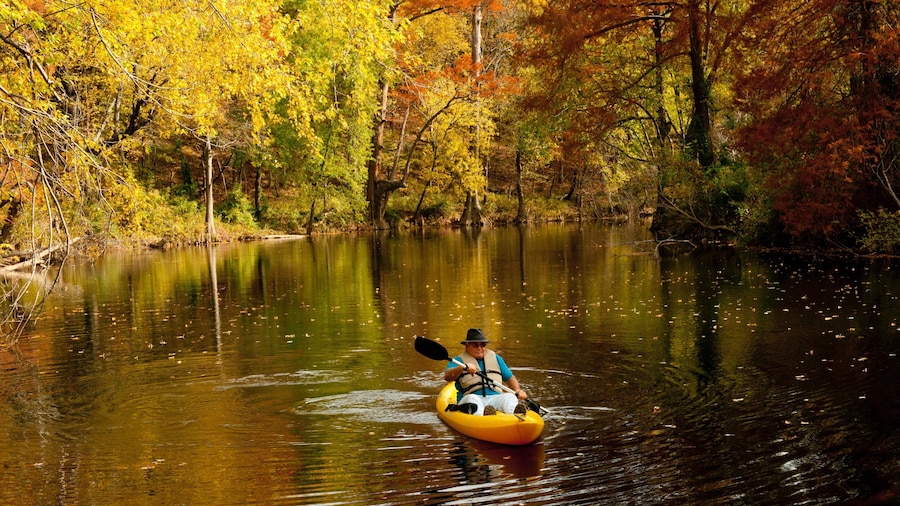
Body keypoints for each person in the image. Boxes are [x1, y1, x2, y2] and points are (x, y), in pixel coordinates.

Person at [443, 328, 528, 416]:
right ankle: (483, 417)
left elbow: (510, 378)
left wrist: (518, 390)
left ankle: (516, 414)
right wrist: (462, 368)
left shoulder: (496, 358)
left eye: (482, 345)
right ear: (466, 345)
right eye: (475, 345)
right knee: (472, 399)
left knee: (509, 396)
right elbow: (448, 377)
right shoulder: (458, 360)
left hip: (495, 398)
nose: (479, 348)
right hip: (471, 399)